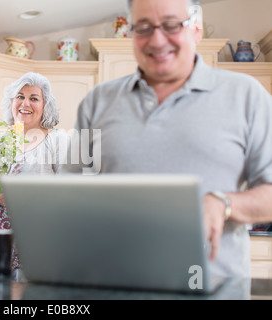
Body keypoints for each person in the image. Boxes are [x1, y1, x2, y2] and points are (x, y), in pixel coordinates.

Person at [66, 0, 272, 278]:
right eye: (143, 27)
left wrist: (224, 203)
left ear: (196, 28)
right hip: (114, 283)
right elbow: (68, 191)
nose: (157, 39)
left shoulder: (246, 95)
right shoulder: (97, 101)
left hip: (211, 288)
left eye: (172, 25)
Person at [0, 71, 67, 234]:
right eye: (20, 96)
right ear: (11, 102)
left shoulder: (57, 141)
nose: (25, 103)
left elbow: (72, 196)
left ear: (45, 106)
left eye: (34, 98)